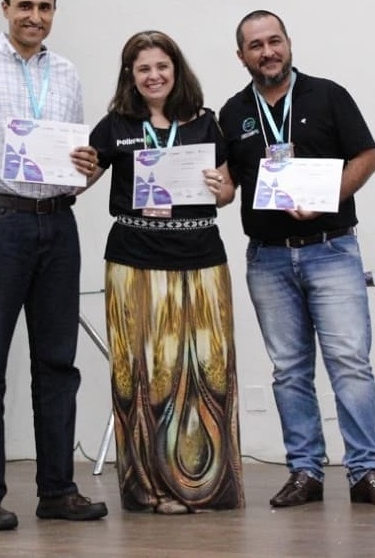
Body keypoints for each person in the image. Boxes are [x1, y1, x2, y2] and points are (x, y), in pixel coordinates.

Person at [218, 10, 375, 508]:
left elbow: (368, 157)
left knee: (349, 363)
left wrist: (327, 195)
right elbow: (228, 184)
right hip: (267, 260)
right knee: (289, 370)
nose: (268, 52)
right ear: (242, 56)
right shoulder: (232, 112)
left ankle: (366, 472)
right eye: (255, 45)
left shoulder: (328, 95)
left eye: (274, 41)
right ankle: (305, 472)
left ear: (288, 44)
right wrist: (212, 187)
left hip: (331, 250)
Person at [0, 0, 107, 531]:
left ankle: (58, 490)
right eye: (25, 5)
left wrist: (88, 168)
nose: (34, 16)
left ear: (54, 12)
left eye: (45, 7)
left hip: (59, 223)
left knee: (58, 363)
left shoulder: (67, 73)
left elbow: (76, 159)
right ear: (5, 7)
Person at [87, 30, 245, 514]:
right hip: (134, 262)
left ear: (176, 71)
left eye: (161, 67)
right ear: (131, 78)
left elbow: (227, 192)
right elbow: (82, 179)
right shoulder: (115, 125)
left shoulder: (207, 124)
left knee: (206, 373)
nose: (153, 76)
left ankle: (207, 488)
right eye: (143, 70)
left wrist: (221, 188)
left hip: (200, 260)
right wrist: (73, 164)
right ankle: (149, 489)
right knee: (142, 374)